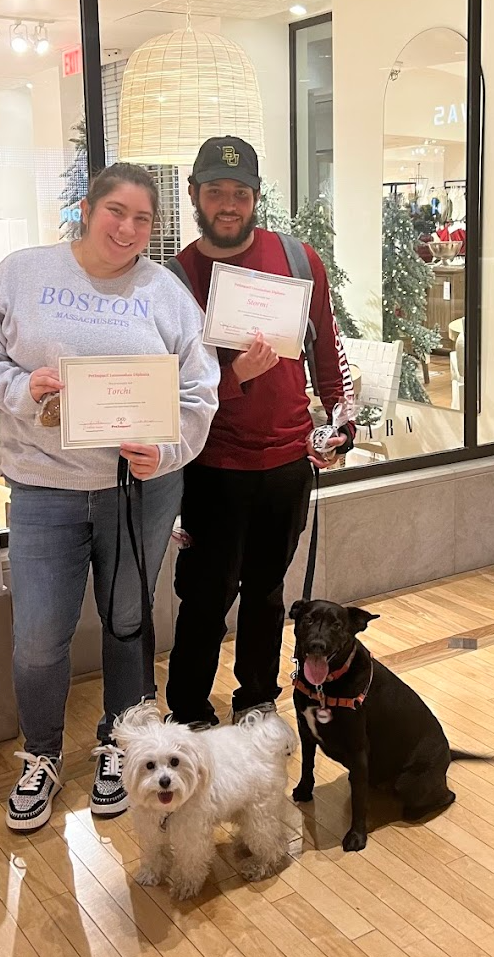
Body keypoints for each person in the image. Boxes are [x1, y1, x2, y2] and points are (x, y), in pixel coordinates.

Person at [0, 163, 219, 829]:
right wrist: (25, 389)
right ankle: (40, 755)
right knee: (40, 637)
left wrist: (165, 451)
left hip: (140, 492)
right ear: (85, 209)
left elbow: (198, 393)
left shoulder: (165, 293)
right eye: (115, 212)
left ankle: (119, 746)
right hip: (44, 490)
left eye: (142, 219)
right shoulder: (21, 274)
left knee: (128, 624)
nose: (127, 229)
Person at [165, 136, 355, 731]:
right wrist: (232, 376)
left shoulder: (299, 260)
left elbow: (328, 348)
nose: (228, 203)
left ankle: (254, 701)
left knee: (268, 592)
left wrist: (340, 420)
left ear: (255, 197)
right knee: (204, 597)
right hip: (210, 466)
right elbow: (165, 384)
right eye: (215, 191)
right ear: (194, 195)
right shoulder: (172, 280)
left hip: (288, 463)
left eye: (239, 193)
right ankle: (190, 710)